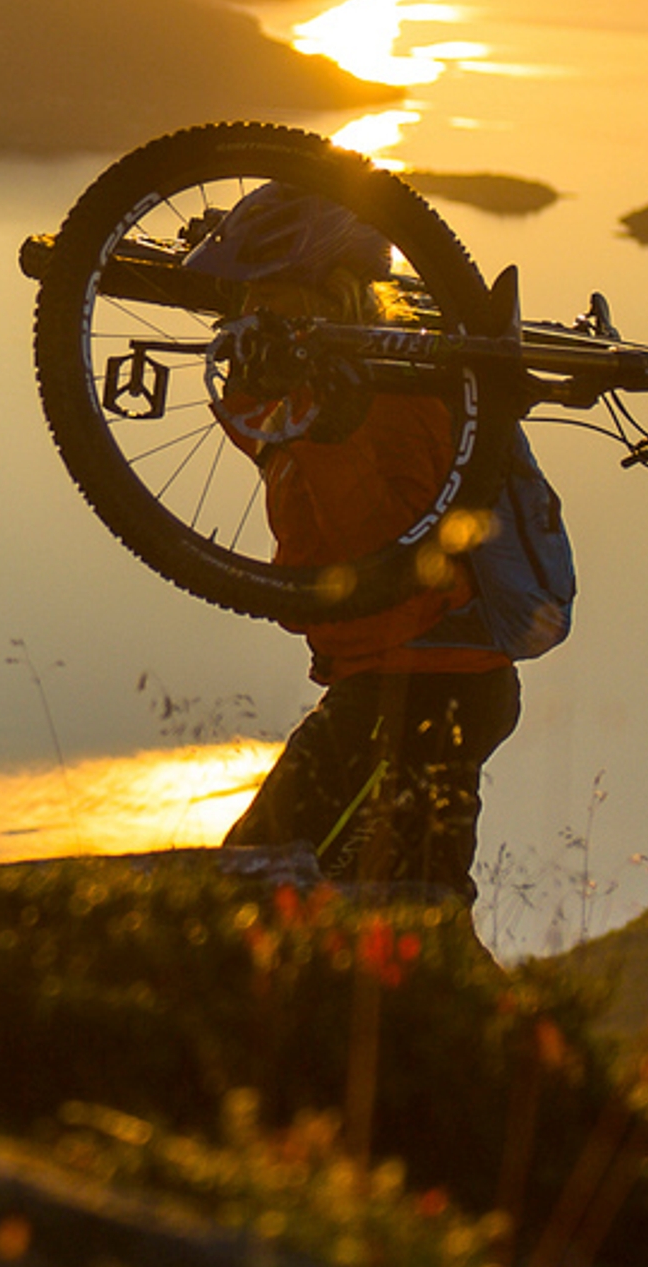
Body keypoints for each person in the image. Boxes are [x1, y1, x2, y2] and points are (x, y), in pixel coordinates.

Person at [194, 185, 523, 903]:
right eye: (250, 303)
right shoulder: (330, 386)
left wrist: (326, 435)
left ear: (333, 297)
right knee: (404, 908)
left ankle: (494, 1016)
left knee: (265, 883)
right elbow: (277, 459)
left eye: (272, 300)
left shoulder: (391, 396)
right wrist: (256, 377)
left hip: (421, 687)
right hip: (408, 680)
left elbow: (393, 570)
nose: (256, 318)